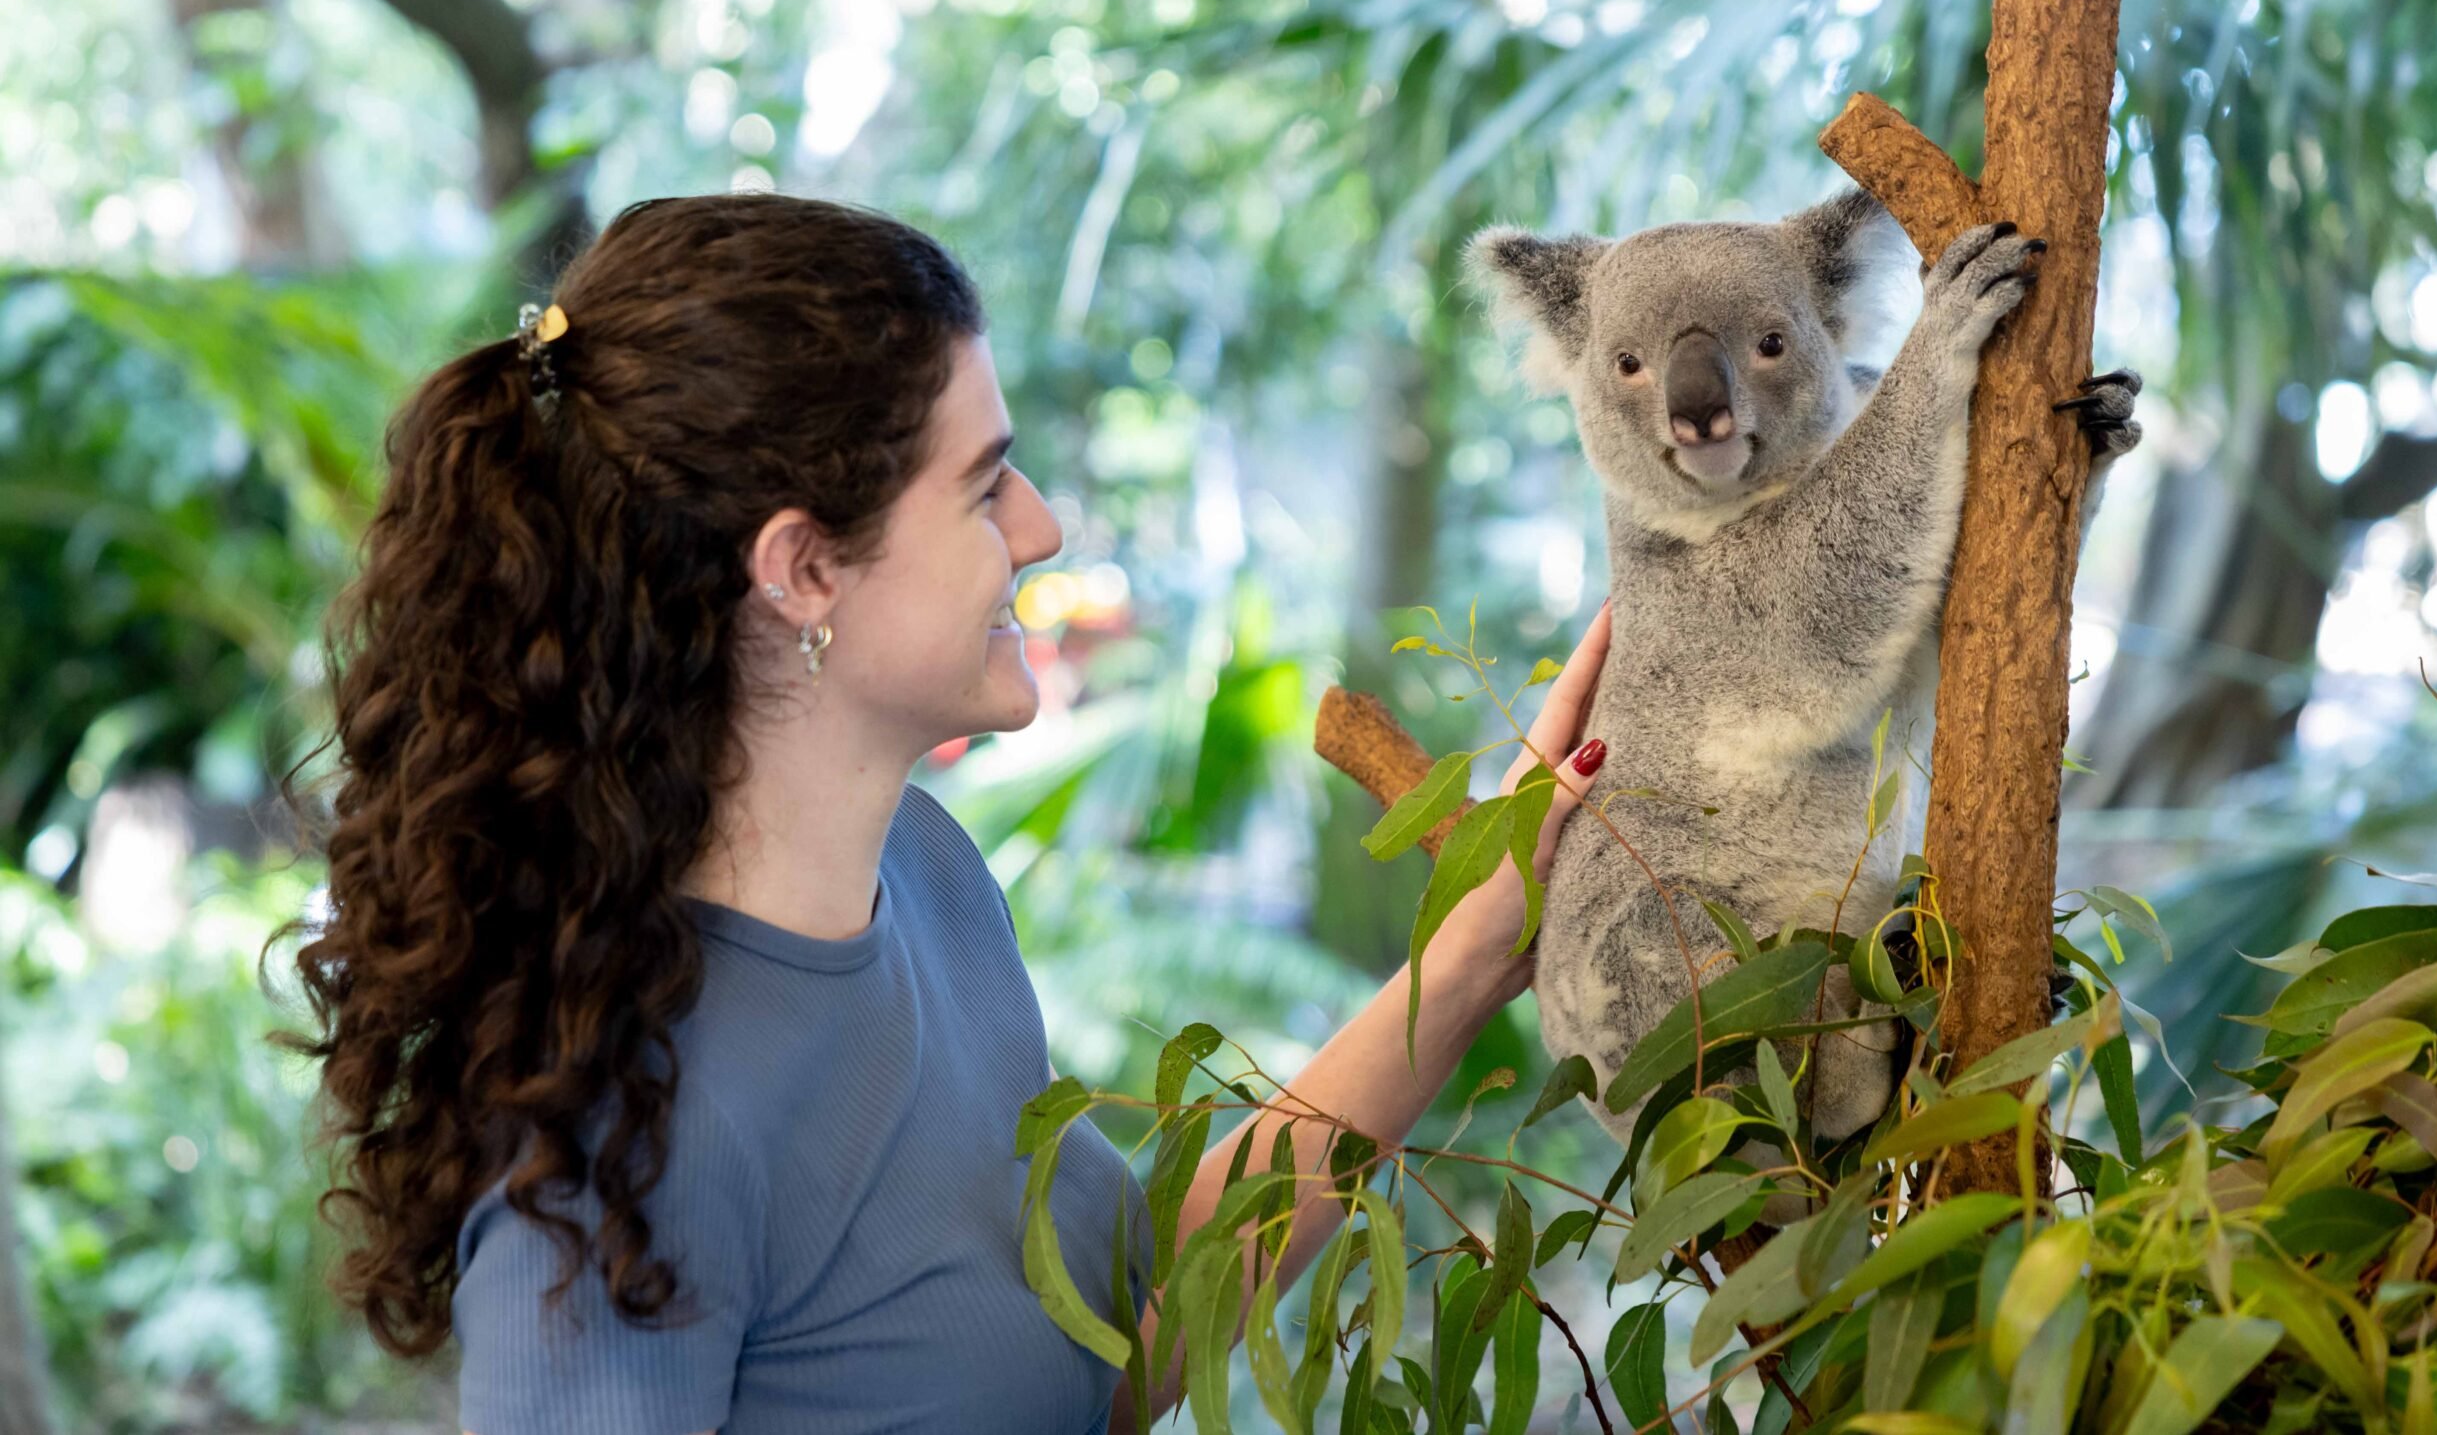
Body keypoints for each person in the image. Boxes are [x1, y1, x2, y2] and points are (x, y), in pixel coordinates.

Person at [271, 192, 1613, 1434]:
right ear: (801, 569)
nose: (1038, 528)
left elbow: (1118, 1330)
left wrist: (1474, 945)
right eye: (982, 484)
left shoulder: (926, 877)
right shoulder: (625, 1146)